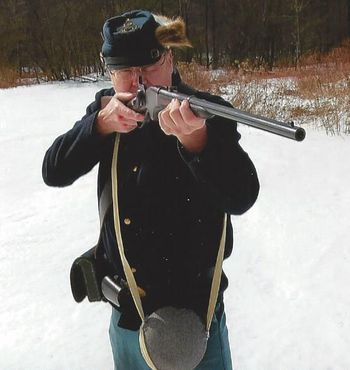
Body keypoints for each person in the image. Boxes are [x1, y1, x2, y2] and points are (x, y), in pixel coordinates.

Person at [42, 9, 259, 370]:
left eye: (148, 66)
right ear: (109, 71)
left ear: (169, 58)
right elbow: (54, 170)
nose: (139, 81)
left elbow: (243, 194)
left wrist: (198, 142)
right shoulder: (108, 110)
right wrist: (97, 126)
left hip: (193, 328)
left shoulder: (206, 112)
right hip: (124, 316)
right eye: (125, 70)